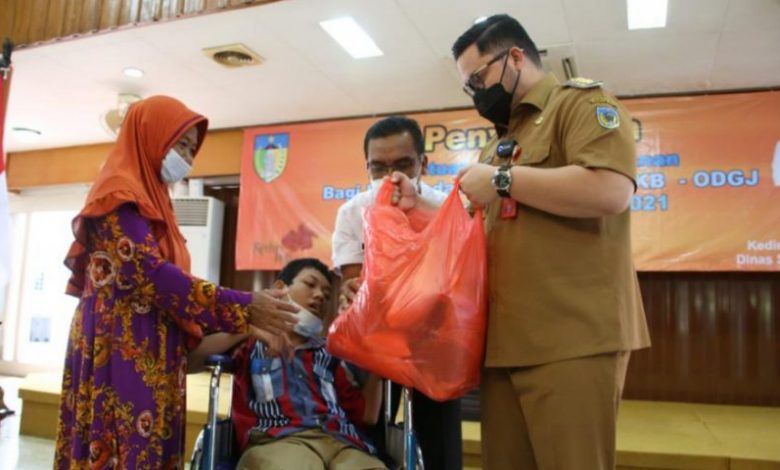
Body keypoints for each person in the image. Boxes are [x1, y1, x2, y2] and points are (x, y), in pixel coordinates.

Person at [446, 14, 651, 470]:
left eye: (479, 78)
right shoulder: (497, 145)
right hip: (503, 345)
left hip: (570, 338)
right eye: (469, 87)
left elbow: (610, 190)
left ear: (515, 57)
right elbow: (474, 226)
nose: (477, 93)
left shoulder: (579, 104)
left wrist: (502, 179)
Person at [54, 96, 299, 469]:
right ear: (150, 136)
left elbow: (176, 285)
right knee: (120, 450)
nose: (186, 156)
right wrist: (246, 304)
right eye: (179, 143)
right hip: (120, 345)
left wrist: (246, 315)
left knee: (149, 449)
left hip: (153, 345)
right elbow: (151, 275)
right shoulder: (119, 195)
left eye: (191, 148)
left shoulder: (157, 203)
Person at [332, 116, 462, 470]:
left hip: (435, 340)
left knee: (440, 448)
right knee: (367, 436)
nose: (390, 176)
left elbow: (457, 279)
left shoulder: (448, 208)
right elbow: (353, 281)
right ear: (367, 167)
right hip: (374, 338)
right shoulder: (352, 212)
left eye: (403, 164)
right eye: (379, 167)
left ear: (423, 163)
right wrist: (353, 290)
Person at [189, 258, 386, 470]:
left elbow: (368, 416)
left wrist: (380, 362)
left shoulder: (330, 353)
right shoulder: (250, 341)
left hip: (342, 442)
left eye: (327, 295)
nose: (320, 296)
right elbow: (190, 361)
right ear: (280, 288)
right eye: (310, 285)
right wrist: (248, 326)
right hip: (280, 439)